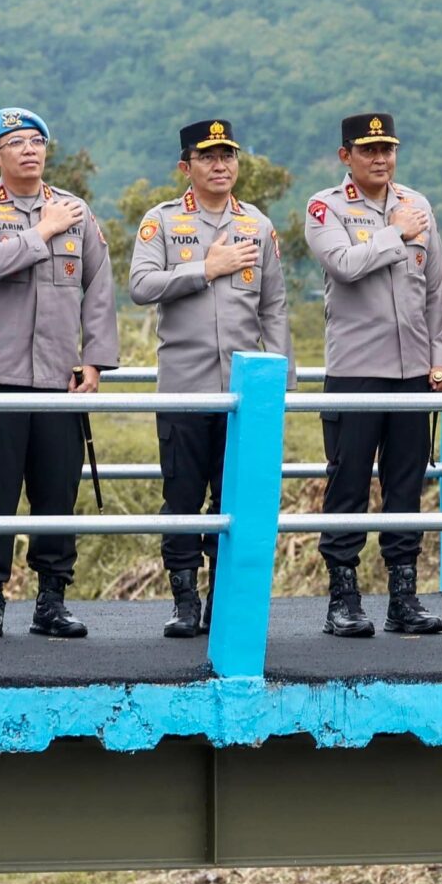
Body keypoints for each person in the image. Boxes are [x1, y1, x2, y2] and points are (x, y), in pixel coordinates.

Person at [0, 106, 118, 640]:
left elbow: (100, 287)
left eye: (37, 142)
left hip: (57, 378)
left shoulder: (75, 209)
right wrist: (42, 232)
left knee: (56, 491)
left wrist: (94, 359)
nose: (30, 150)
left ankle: (52, 599)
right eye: (17, 143)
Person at [130, 119, 290, 640]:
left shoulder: (258, 226)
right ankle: (184, 602)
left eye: (228, 156)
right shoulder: (162, 222)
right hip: (184, 386)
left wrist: (282, 374)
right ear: (186, 166)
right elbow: (140, 285)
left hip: (244, 395)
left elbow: (274, 308)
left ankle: (226, 600)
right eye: (208, 157)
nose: (220, 166)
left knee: (235, 498)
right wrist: (205, 266)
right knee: (182, 497)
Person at [304, 112, 442, 639]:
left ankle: (403, 597)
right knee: (347, 483)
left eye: (387, 149)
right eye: (368, 150)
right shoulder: (326, 207)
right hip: (355, 372)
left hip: (413, 371)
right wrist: (395, 234)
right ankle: (343, 599)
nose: (380, 158)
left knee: (405, 485)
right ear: (346, 156)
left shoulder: (419, 206)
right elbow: (344, 265)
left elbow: (436, 291)